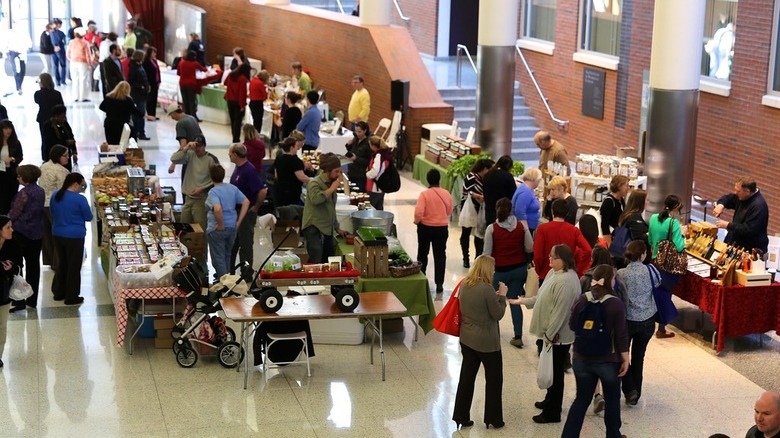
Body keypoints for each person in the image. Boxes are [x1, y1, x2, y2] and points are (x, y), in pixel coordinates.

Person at [511, 244, 581, 424]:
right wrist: (521, 301)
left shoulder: (566, 281)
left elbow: (561, 313)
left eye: (553, 257)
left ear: (564, 260)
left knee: (556, 375)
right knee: (551, 370)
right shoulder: (553, 274)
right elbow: (541, 297)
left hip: (557, 337)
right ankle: (549, 400)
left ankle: (553, 412)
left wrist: (550, 336)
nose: (549, 259)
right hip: (549, 335)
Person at [561, 264, 630, 438]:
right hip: (608, 359)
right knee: (613, 400)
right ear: (610, 281)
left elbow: (572, 324)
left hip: (581, 358)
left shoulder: (582, 299)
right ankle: (613, 435)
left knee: (581, 399)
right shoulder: (616, 304)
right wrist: (626, 359)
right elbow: (621, 336)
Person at [452, 255, 508, 430]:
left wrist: (495, 296)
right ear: (487, 270)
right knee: (494, 380)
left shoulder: (465, 284)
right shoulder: (486, 289)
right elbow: (497, 314)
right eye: (492, 268)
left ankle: (460, 415)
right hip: (486, 342)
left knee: (466, 378)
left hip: (467, 339)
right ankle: (493, 418)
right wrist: (503, 297)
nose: (494, 271)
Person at [483, 197, 533, 348]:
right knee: (513, 301)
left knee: (492, 302)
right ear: (511, 210)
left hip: (500, 272)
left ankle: (491, 333)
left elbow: (486, 253)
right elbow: (530, 247)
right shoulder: (521, 227)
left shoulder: (492, 228)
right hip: (519, 270)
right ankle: (518, 336)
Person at [616, 240, 660, 406]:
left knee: (623, 355)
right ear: (642, 255)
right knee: (639, 356)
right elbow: (658, 284)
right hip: (647, 319)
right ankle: (636, 392)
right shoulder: (651, 270)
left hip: (627, 320)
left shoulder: (621, 273)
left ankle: (629, 389)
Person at [648, 194, 687, 339]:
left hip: (655, 260)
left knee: (656, 293)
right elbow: (679, 246)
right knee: (666, 294)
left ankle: (651, 321)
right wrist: (683, 234)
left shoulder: (653, 218)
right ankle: (661, 329)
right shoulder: (673, 223)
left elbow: (651, 239)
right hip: (668, 264)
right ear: (676, 208)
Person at [49, 173, 92, 305]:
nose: (82, 188)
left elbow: (52, 212)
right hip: (75, 236)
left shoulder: (55, 195)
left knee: (62, 263)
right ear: (75, 184)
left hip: (58, 233)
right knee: (74, 266)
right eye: (82, 185)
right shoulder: (80, 199)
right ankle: (71, 296)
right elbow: (88, 217)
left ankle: (58, 292)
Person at [8, 165, 44, 312]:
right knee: (34, 267)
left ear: (25, 178)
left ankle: (20, 299)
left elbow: (15, 213)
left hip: (21, 233)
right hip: (37, 233)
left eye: (19, 176)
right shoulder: (40, 191)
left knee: (17, 266)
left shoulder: (23, 193)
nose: (17, 178)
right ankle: (32, 299)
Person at [301, 153, 348, 263]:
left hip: (327, 229)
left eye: (340, 171)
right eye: (336, 171)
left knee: (328, 261)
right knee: (316, 261)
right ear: (327, 171)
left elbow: (331, 208)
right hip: (314, 228)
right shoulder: (314, 183)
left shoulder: (330, 183)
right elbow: (316, 199)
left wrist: (337, 228)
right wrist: (332, 189)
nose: (339, 174)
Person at [170, 135, 220, 238]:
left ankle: (201, 254)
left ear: (205, 146)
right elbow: (173, 159)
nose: (197, 149)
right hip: (188, 199)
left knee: (200, 232)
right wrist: (186, 148)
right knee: (183, 229)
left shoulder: (211, 159)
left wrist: (202, 188)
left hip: (201, 200)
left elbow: (217, 181)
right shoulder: (190, 154)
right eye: (196, 146)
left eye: (200, 146)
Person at [205, 164, 249, 279]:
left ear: (211, 177)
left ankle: (224, 285)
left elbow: (217, 208)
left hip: (217, 230)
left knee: (218, 258)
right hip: (232, 228)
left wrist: (220, 224)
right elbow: (246, 202)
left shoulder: (213, 192)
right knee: (227, 256)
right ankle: (229, 282)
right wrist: (238, 222)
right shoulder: (232, 188)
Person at [414, 169, 453, 294]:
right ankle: (439, 283)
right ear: (439, 179)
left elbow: (419, 212)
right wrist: (440, 217)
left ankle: (422, 278)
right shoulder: (446, 194)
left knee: (422, 253)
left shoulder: (424, 195)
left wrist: (417, 221)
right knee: (440, 256)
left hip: (425, 228)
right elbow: (449, 210)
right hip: (441, 228)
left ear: (427, 179)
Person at [228, 143, 266, 270]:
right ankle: (230, 272)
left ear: (235, 154)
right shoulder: (238, 168)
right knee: (233, 243)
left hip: (245, 213)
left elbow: (262, 191)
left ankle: (246, 273)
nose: (228, 155)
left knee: (245, 244)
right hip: (236, 212)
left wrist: (255, 207)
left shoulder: (248, 170)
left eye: (230, 153)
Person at [534, 199, 592, 282]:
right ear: (567, 213)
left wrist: (538, 270)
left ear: (552, 211)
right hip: (567, 273)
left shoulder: (542, 229)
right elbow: (588, 250)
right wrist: (576, 267)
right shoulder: (574, 230)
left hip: (546, 273)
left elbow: (538, 254)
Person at [713, 177, 769, 253]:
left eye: (738, 191)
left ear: (747, 192)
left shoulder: (758, 206)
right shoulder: (742, 197)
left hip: (749, 249)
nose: (735, 193)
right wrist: (721, 205)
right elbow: (728, 198)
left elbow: (748, 230)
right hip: (734, 243)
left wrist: (728, 225)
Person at [39, 145, 70, 269]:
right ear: (58, 156)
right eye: (65, 155)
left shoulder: (44, 166)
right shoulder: (62, 171)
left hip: (43, 203)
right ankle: (59, 263)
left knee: (47, 235)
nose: (68, 158)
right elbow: (64, 191)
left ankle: (51, 261)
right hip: (55, 205)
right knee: (58, 234)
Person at [460, 158, 494, 268]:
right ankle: (466, 257)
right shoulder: (472, 177)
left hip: (480, 209)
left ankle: (477, 257)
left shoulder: (486, 179)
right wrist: (480, 197)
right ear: (484, 169)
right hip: (469, 209)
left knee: (479, 234)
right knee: (466, 233)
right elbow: (467, 191)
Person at [0, 215, 22, 367]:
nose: (11, 230)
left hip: (3, 292)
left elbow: (20, 266)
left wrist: (12, 268)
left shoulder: (13, 244)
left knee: (2, 326)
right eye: (8, 227)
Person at [274, 133, 313, 208]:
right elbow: (301, 177)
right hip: (291, 191)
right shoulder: (295, 161)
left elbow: (276, 174)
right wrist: (313, 180)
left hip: (280, 190)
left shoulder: (279, 158)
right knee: (291, 212)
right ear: (291, 147)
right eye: (296, 146)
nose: (297, 148)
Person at [614, 189, 649, 264]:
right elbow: (638, 238)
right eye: (647, 200)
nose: (648, 202)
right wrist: (649, 234)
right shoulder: (635, 217)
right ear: (640, 202)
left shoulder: (627, 214)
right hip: (630, 259)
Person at [40, 105, 78, 170]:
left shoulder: (65, 124)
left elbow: (71, 137)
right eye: (62, 116)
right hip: (53, 157)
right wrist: (66, 142)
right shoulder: (48, 126)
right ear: (56, 116)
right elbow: (50, 142)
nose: (64, 118)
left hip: (65, 156)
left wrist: (74, 152)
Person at [483, 155, 517, 226]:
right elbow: (513, 194)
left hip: (489, 208)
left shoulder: (488, 174)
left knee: (490, 230)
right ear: (508, 166)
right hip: (502, 210)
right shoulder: (508, 176)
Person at [0, 119, 24, 214]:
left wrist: (13, 159)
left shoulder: (16, 143)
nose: (8, 131)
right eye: (5, 128)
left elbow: (20, 157)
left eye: (10, 128)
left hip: (12, 173)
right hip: (0, 173)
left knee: (12, 197)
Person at [365, 135, 393, 210]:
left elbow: (375, 171)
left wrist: (367, 174)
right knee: (379, 209)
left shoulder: (378, 156)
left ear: (373, 146)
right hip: (381, 186)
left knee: (370, 209)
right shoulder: (386, 154)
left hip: (374, 187)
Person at [599, 175, 629, 245]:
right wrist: (609, 243)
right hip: (611, 238)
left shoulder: (621, 199)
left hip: (618, 236)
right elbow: (604, 224)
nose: (628, 188)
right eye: (626, 185)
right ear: (619, 186)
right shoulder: (609, 202)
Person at [66, 27, 94, 102]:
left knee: (75, 79)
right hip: (83, 63)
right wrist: (89, 64)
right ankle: (83, 97)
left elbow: (68, 53)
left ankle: (75, 97)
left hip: (73, 62)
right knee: (83, 80)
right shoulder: (85, 43)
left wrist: (71, 59)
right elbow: (88, 55)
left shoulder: (71, 42)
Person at [511, 167, 543, 234]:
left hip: (528, 226)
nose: (539, 183)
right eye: (539, 180)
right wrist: (526, 230)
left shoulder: (526, 188)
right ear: (534, 180)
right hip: (525, 228)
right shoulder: (526, 192)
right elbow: (520, 212)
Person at [224, 63, 251, 143]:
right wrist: (242, 105)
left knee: (233, 120)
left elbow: (225, 83)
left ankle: (234, 136)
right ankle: (236, 139)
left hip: (229, 100)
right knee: (238, 121)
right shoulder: (242, 78)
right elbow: (242, 93)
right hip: (238, 102)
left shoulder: (231, 75)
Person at [177, 50, 208, 118]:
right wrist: (207, 67)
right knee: (192, 101)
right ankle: (193, 117)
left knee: (185, 101)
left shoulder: (181, 63)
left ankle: (186, 116)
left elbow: (178, 73)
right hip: (191, 84)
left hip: (182, 84)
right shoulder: (194, 63)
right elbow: (203, 69)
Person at [5, 24, 32, 95]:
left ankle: (19, 85)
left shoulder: (24, 33)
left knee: (22, 70)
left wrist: (25, 47)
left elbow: (29, 43)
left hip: (22, 52)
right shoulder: (9, 33)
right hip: (13, 52)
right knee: (15, 70)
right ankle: (19, 87)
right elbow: (6, 42)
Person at [346, 121, 371, 192]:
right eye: (355, 131)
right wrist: (349, 145)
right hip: (351, 171)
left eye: (359, 132)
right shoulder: (355, 139)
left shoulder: (368, 143)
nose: (357, 134)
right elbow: (352, 151)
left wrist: (356, 158)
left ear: (365, 130)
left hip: (360, 174)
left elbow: (368, 160)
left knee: (359, 192)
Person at [142, 47, 161, 120]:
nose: (154, 54)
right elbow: (145, 74)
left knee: (154, 99)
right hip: (150, 83)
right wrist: (147, 84)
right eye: (153, 52)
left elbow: (157, 71)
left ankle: (154, 114)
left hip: (155, 82)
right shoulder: (145, 62)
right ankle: (150, 115)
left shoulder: (154, 61)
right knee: (150, 99)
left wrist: (159, 80)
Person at [249, 70, 269, 134]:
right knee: (258, 122)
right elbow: (265, 94)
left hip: (252, 102)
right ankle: (257, 135)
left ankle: (254, 134)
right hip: (258, 104)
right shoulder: (260, 83)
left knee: (255, 121)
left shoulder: (253, 80)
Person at [51, 18, 67, 86]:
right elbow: (64, 42)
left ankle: (57, 82)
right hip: (61, 51)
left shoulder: (50, 33)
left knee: (55, 66)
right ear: (58, 24)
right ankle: (62, 81)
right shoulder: (61, 33)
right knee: (63, 65)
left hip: (53, 51)